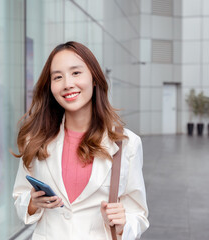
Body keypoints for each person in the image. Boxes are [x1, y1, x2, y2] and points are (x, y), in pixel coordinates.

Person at [12, 41, 149, 240]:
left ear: (94, 78)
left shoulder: (126, 143)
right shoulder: (36, 139)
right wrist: (32, 203)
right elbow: (20, 197)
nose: (67, 84)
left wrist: (122, 223)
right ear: (50, 86)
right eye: (58, 77)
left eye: (76, 73)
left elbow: (138, 214)